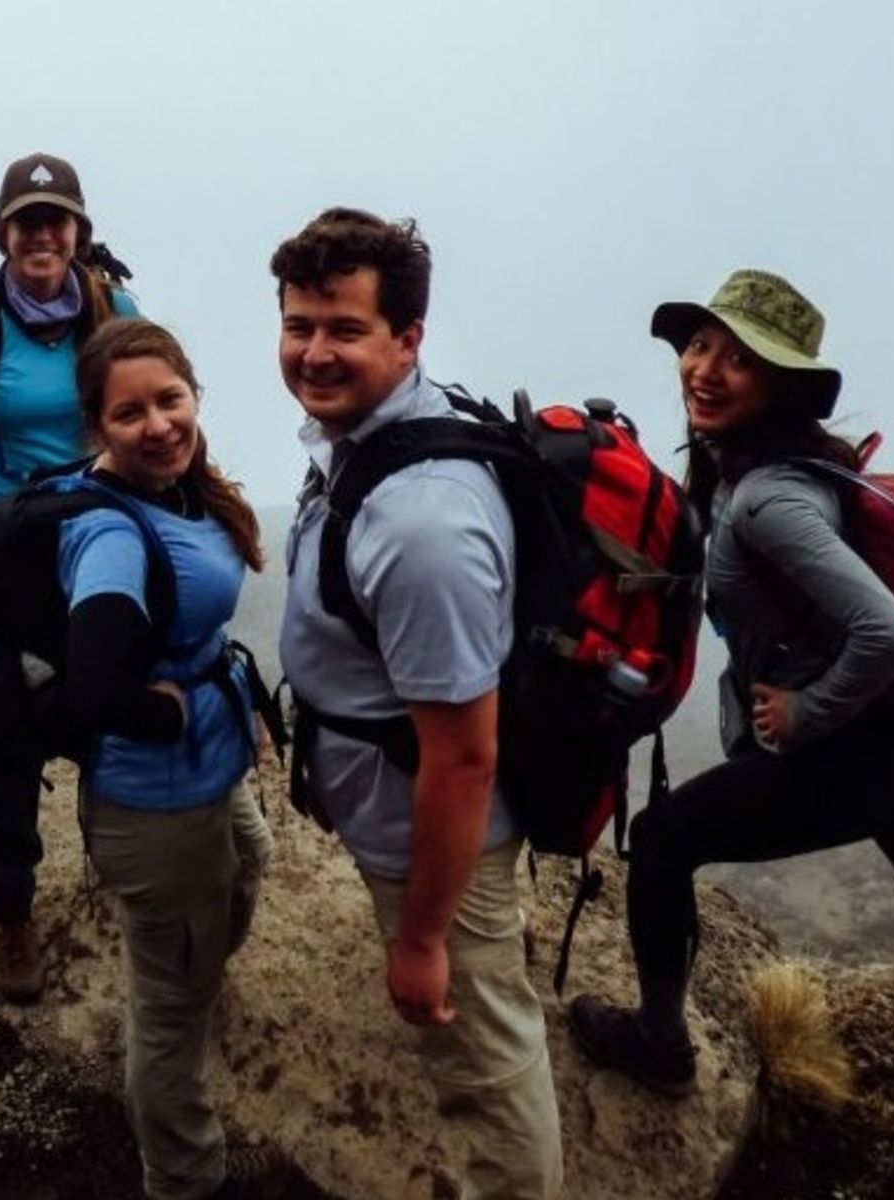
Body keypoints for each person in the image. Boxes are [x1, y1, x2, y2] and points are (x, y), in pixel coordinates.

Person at [568, 269, 894, 1097]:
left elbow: (889, 630)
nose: (704, 370)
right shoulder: (761, 472)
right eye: (700, 345)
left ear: (781, 388)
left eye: (737, 360)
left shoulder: (769, 498)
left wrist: (806, 711)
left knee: (664, 839)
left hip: (855, 752)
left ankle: (660, 1047)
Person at [274, 208, 563, 1200]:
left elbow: (464, 760)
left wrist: (426, 939)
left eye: (344, 329)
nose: (314, 352)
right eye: (299, 324)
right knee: (481, 1037)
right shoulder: (376, 435)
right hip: (394, 801)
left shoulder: (422, 524)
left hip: (431, 829)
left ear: (408, 338)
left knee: (485, 1068)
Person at [63, 316, 268, 1200]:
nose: (157, 426)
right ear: (96, 429)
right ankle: (184, 1175)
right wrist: (152, 712)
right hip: (158, 804)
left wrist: (230, 697)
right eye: (129, 414)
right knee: (167, 1013)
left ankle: (196, 979)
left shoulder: (179, 488)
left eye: (170, 401)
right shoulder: (113, 534)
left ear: (194, 395)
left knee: (251, 865)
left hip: (208, 774)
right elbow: (89, 686)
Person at [0, 152, 139, 1001]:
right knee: (7, 730)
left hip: (97, 544)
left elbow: (146, 414)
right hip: (8, 554)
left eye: (58, 218)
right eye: (27, 219)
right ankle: (9, 908)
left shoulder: (114, 313)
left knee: (105, 707)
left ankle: (113, 863)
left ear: (80, 231)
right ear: (3, 234)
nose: (43, 233)